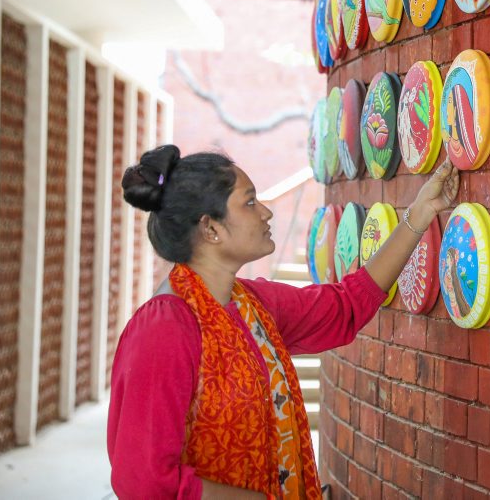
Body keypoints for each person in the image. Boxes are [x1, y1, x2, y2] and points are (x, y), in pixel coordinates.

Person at [107, 144, 459, 499]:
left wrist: (420, 213)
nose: (266, 212)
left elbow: (345, 305)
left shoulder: (252, 306)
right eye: (249, 202)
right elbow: (143, 481)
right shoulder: (164, 329)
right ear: (210, 228)